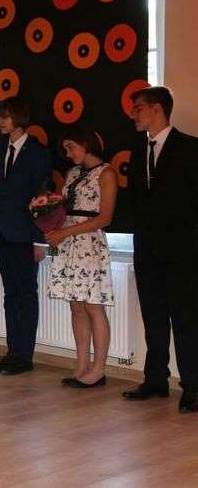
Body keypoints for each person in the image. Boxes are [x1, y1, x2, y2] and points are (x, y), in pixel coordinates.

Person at [124, 86, 198, 414]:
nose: (133, 114)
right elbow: (136, 201)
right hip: (147, 250)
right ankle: (155, 379)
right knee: (154, 318)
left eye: (138, 108)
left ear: (157, 109)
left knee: (185, 319)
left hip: (183, 252)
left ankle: (193, 386)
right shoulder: (137, 151)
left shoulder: (191, 148)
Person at [45, 127, 118, 388]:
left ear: (85, 144)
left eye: (71, 147)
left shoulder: (106, 173)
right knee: (76, 306)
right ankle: (81, 365)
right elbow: (64, 208)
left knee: (93, 306)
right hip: (67, 243)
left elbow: (105, 217)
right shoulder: (73, 173)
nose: (68, 153)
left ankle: (98, 369)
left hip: (89, 243)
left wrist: (65, 232)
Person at [0, 97, 52, 375]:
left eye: (5, 116)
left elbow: (42, 196)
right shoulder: (3, 148)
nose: (0, 121)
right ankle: (12, 352)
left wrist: (40, 240)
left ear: (19, 118)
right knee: (10, 294)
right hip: (3, 233)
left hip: (25, 234)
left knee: (26, 294)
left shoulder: (38, 152)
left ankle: (24, 356)